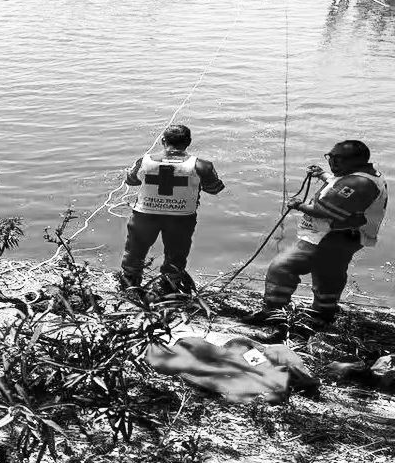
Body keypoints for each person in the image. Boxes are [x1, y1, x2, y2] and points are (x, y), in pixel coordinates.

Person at [245, 140, 387, 328]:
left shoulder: (358, 183)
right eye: (330, 157)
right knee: (328, 273)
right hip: (347, 238)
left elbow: (325, 212)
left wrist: (298, 205)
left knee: (282, 267)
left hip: (330, 237)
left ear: (356, 160)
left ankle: (273, 312)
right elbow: (340, 184)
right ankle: (323, 313)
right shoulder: (366, 175)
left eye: (338, 158)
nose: (332, 162)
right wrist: (323, 175)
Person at [119, 124, 225, 291]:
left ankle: (129, 283)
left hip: (144, 215)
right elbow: (214, 189)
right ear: (188, 142)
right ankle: (169, 285)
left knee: (135, 249)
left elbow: (131, 181)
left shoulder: (144, 161)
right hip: (181, 217)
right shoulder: (202, 166)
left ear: (163, 141)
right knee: (177, 252)